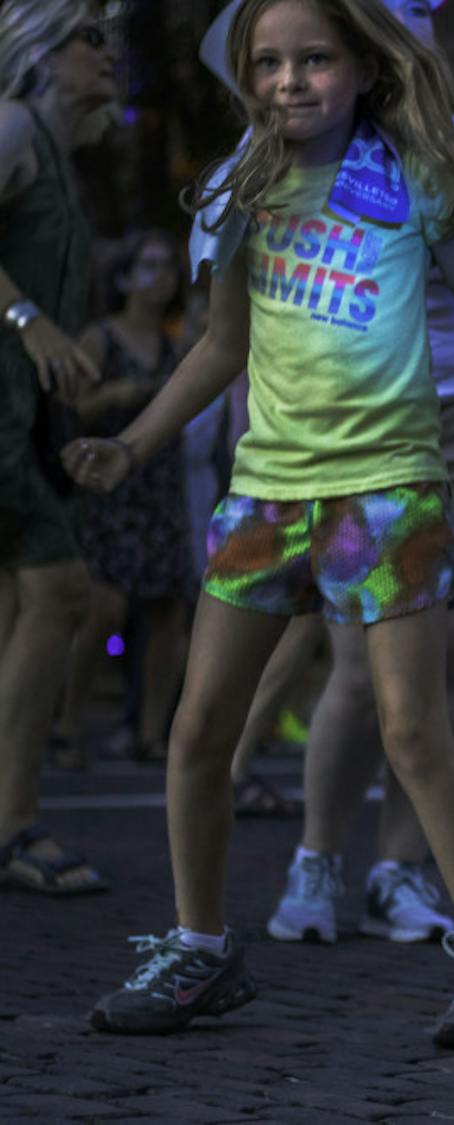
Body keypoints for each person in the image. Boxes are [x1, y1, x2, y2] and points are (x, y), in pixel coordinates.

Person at [68, 0, 454, 1043]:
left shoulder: (416, 176)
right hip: (266, 495)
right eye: (268, 63)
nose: (290, 79)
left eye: (313, 59)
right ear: (246, 78)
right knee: (200, 729)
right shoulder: (237, 189)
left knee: (413, 730)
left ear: (361, 66)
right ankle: (199, 947)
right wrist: (134, 445)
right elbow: (216, 349)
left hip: (389, 490)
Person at [250, 0, 454, 949]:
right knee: (354, 670)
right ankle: (318, 856)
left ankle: (399, 867)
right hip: (354, 422)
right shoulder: (299, 126)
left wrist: (451, 179)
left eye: (418, 11)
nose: (410, 25)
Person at [0, 0, 116, 895]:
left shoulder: (54, 152)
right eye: (90, 40)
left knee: (39, 598)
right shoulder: (10, 127)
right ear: (40, 53)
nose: (107, 56)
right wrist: (27, 316)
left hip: (25, 420)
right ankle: (11, 823)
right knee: (58, 590)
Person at [53, 230, 193, 770]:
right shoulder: (100, 338)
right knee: (104, 609)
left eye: (168, 267)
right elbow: (69, 410)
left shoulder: (176, 345)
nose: (162, 276)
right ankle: (65, 723)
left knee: (165, 615)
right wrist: (114, 396)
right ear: (124, 277)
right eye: (149, 265)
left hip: (159, 492)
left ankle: (150, 734)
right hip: (107, 490)